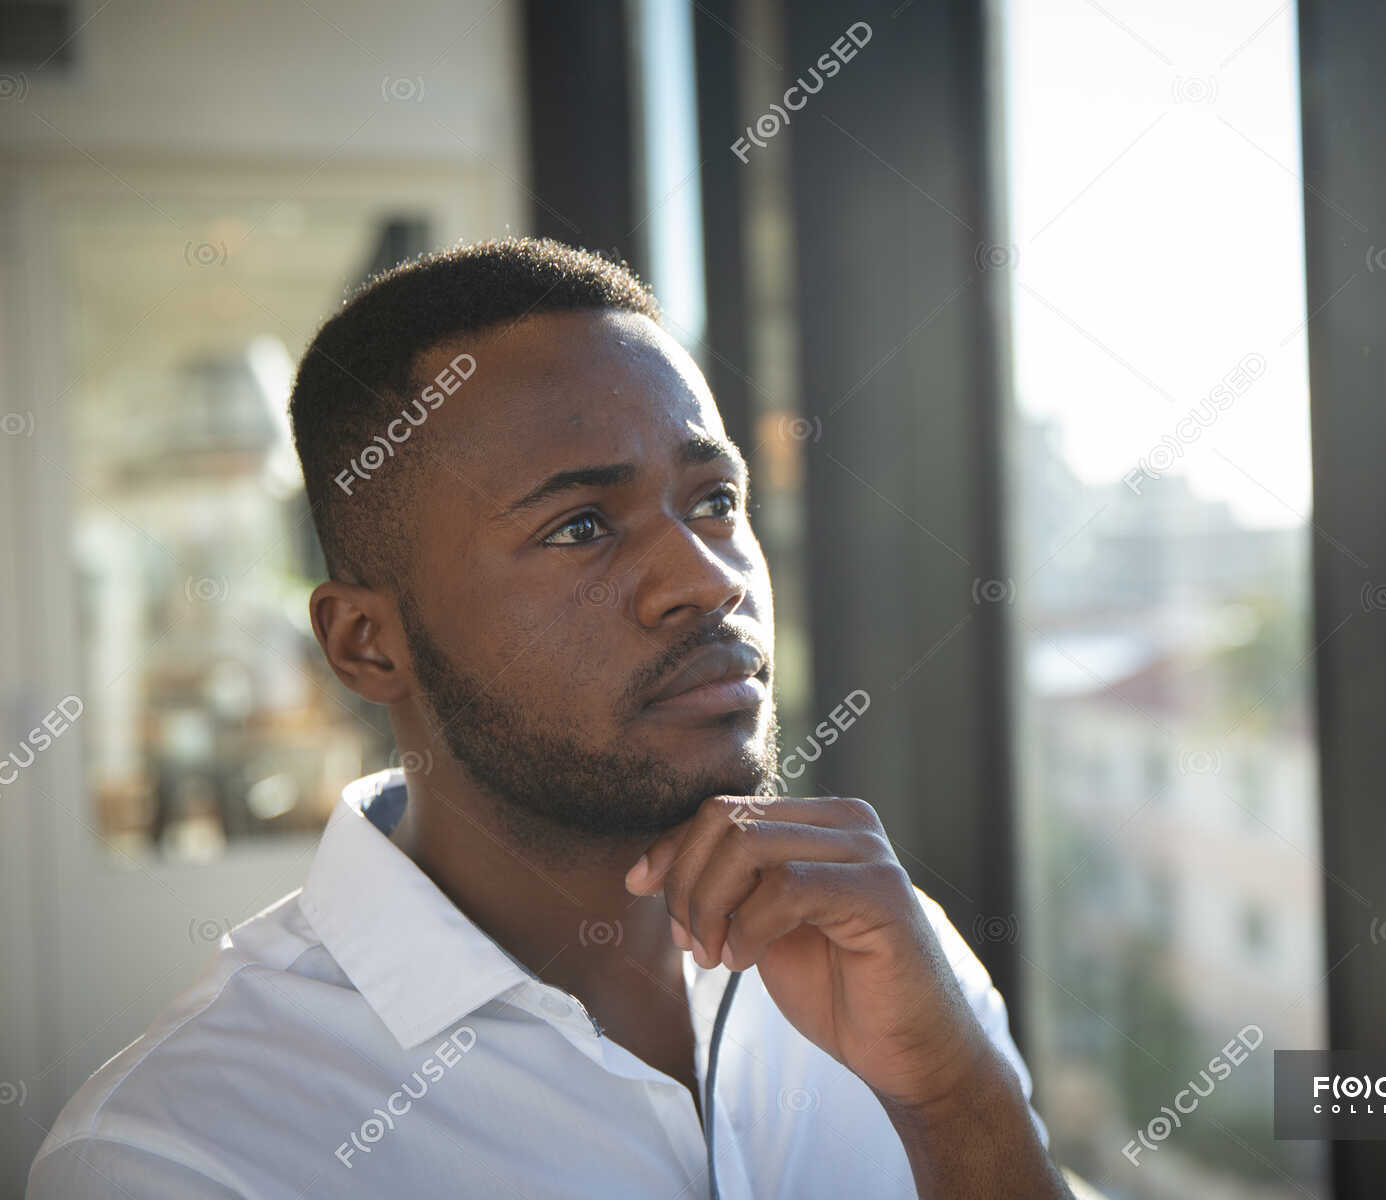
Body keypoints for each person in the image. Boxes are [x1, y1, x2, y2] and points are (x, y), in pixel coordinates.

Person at [28, 238, 1069, 1199]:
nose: (706, 583)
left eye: (714, 502)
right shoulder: (184, 1150)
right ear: (366, 645)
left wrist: (953, 1099)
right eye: (579, 526)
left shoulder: (889, 953)